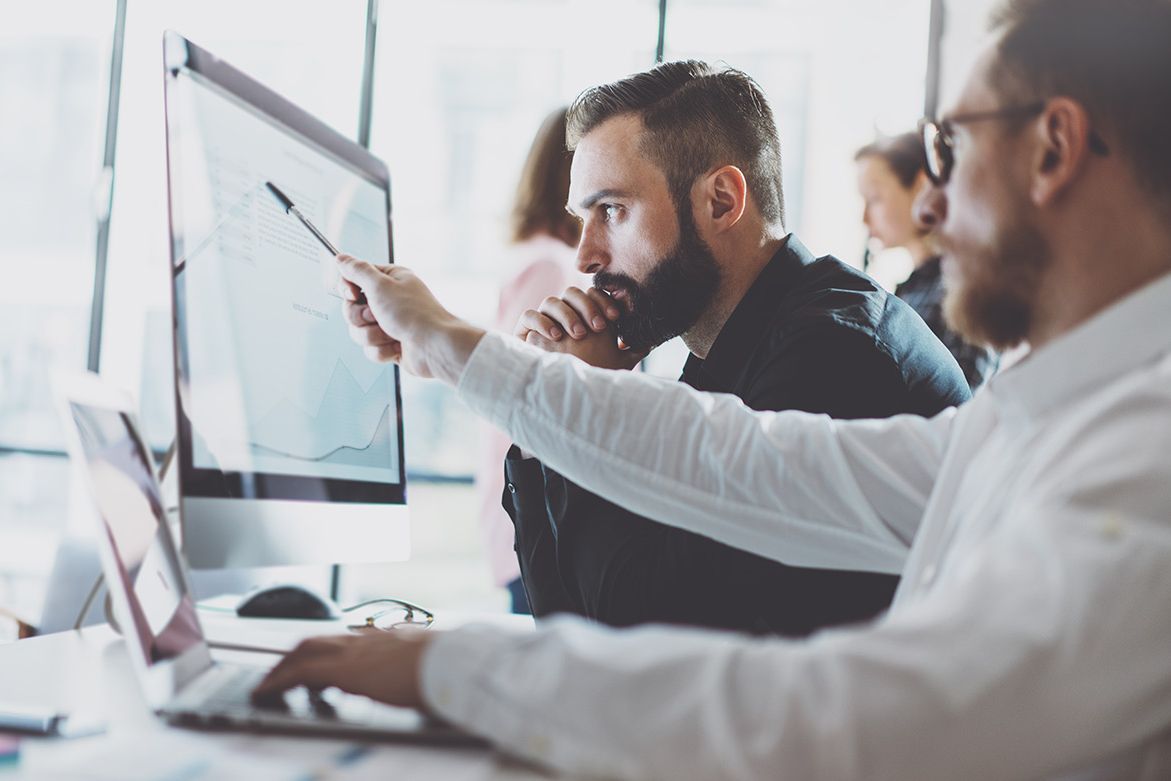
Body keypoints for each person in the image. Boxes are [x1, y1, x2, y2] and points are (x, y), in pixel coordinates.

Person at [255, 0, 1171, 777]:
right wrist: (460, 353)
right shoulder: (1045, 416)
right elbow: (740, 461)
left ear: (1053, 147)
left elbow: (838, 712)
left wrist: (456, 667)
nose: (926, 207)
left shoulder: (1132, 457)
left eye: (953, 147)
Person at [501, 63, 969, 636]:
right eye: (583, 218)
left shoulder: (834, 356)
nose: (586, 256)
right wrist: (542, 424)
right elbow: (565, 628)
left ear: (721, 201)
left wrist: (593, 403)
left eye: (613, 211)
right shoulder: (724, 351)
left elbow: (649, 640)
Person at [473, 107, 585, 614]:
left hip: (526, 504)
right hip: (538, 508)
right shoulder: (551, 266)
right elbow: (528, 388)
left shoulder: (538, 257)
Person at [855, 131, 998, 389]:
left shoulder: (960, 291)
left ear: (921, 185)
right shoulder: (913, 289)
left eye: (874, 199)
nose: (864, 218)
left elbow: (961, 403)